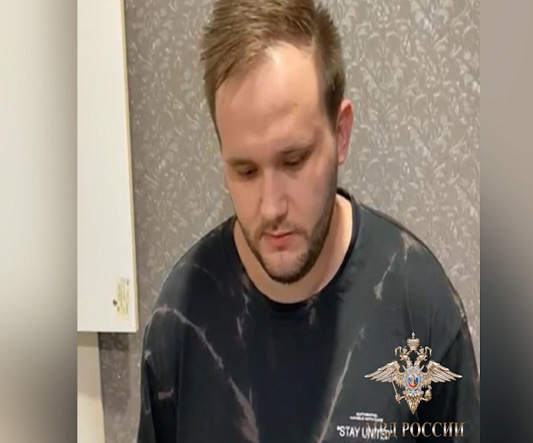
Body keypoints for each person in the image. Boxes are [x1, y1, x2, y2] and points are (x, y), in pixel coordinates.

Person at [137, 1, 480, 442]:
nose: (271, 207)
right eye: (245, 171)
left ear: (341, 133)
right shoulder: (180, 319)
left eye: (294, 161)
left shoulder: (419, 308)